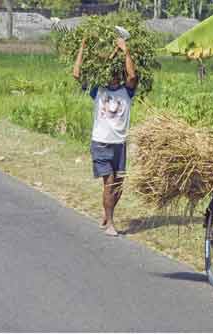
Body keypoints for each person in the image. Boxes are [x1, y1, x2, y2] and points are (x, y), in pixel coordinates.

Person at [73, 37, 138, 236]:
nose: (113, 78)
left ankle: (107, 211)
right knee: (109, 182)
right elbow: (77, 74)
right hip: (101, 143)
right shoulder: (98, 91)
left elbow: (133, 75)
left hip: (120, 144)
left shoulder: (127, 92)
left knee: (118, 187)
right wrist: (82, 48)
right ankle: (110, 223)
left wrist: (125, 51)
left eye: (116, 75)